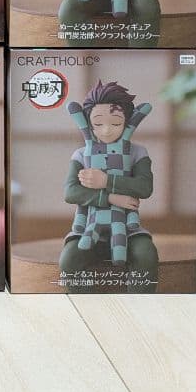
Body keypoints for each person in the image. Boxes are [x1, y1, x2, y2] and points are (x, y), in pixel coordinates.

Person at [60, 80, 158, 293]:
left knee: (146, 254)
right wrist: (111, 198)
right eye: (98, 124)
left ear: (127, 122)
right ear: (88, 123)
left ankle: (140, 306)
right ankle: (86, 306)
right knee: (69, 259)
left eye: (115, 124)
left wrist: (107, 181)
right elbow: (70, 192)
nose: (106, 131)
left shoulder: (137, 152)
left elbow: (145, 187)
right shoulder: (81, 154)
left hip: (129, 228)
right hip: (88, 226)